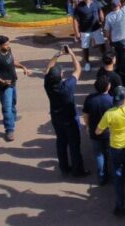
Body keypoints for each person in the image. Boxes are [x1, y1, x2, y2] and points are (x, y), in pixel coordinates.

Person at [96, 52, 125, 217]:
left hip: (115, 148)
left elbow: (98, 131)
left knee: (118, 176)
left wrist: (109, 129)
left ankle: (119, 206)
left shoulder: (109, 114)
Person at [43, 46, 90, 177]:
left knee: (61, 142)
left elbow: (48, 69)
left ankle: (64, 167)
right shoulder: (67, 86)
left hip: (56, 118)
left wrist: (58, 54)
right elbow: (78, 69)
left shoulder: (48, 84)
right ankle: (78, 170)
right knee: (74, 145)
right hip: (69, 118)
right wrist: (72, 54)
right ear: (61, 76)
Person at [0, 35, 31, 142]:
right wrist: (2, 81)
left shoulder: (9, 50)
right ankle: (9, 129)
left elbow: (12, 61)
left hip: (13, 83)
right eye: (5, 44)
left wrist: (23, 67)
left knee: (13, 102)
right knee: (7, 108)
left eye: (8, 43)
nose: (8, 46)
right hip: (4, 87)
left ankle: (13, 117)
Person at [82, 75, 113, 185]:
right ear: (108, 87)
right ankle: (114, 174)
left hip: (95, 132)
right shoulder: (111, 100)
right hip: (109, 132)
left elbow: (85, 115)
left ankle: (101, 177)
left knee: (99, 155)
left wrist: (87, 126)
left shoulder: (90, 99)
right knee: (111, 153)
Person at [73, 0, 105, 72]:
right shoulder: (79, 7)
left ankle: (104, 58)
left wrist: (102, 19)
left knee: (102, 44)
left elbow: (100, 11)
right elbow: (75, 20)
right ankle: (87, 62)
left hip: (96, 28)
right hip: (84, 31)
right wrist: (77, 32)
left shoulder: (96, 3)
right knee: (85, 47)